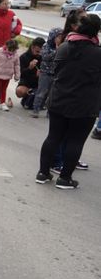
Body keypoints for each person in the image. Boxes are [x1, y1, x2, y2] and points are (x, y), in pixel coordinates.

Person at [36, 14, 101, 190]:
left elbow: (57, 71)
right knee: (75, 141)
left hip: (58, 99)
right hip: (85, 104)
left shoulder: (64, 47)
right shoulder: (98, 53)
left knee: (53, 137)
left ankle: (43, 173)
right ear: (96, 31)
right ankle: (65, 179)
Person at [32, 28, 63, 118]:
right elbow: (45, 57)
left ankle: (49, 112)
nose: (59, 39)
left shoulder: (62, 47)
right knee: (41, 92)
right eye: (58, 37)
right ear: (53, 37)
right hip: (45, 73)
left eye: (61, 37)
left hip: (56, 74)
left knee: (52, 95)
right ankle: (36, 110)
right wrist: (57, 51)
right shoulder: (46, 46)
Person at [16, 37, 45, 110]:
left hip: (40, 84)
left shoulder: (44, 57)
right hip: (27, 82)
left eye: (42, 52)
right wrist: (29, 68)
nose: (39, 54)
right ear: (32, 47)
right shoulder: (23, 57)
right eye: (37, 51)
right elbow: (20, 74)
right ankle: (28, 97)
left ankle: (35, 99)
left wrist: (42, 74)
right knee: (20, 91)